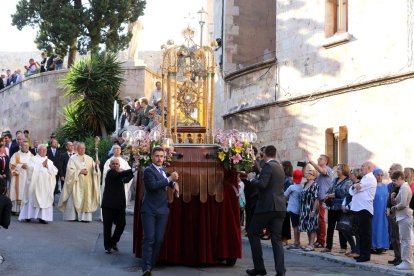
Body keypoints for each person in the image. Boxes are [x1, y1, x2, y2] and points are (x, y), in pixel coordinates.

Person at [246, 145, 286, 276]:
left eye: (262, 154)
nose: (261, 156)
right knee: (276, 239)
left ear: (265, 154)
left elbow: (262, 184)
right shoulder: (280, 166)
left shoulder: (269, 166)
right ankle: (280, 272)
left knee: (252, 232)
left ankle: (259, 268)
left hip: (267, 207)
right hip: (279, 207)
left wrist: (252, 179)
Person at [141, 147, 180, 276]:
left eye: (162, 156)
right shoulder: (148, 170)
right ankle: (146, 268)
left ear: (164, 158)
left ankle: (150, 265)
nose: (159, 158)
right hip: (149, 210)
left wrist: (174, 185)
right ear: (152, 157)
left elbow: (167, 182)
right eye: (157, 156)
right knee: (149, 238)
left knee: (158, 239)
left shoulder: (163, 170)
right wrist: (170, 179)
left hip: (162, 210)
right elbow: (153, 186)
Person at [58, 143, 101, 222]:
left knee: (86, 199)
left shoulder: (89, 158)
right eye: (80, 148)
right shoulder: (73, 158)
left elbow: (95, 171)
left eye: (83, 148)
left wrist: (96, 166)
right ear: (77, 149)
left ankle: (85, 217)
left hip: (87, 183)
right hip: (76, 183)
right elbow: (70, 171)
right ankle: (73, 216)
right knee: (75, 198)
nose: (82, 150)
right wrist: (79, 171)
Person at [102, 158, 135, 254]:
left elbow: (126, 179)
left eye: (117, 164)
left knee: (121, 224)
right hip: (108, 205)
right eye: (113, 164)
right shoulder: (110, 173)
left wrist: (134, 172)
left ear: (119, 165)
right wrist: (132, 170)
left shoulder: (119, 174)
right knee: (107, 227)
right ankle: (108, 246)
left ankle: (113, 242)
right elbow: (120, 175)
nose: (115, 165)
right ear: (110, 165)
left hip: (119, 205)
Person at [18, 144, 58, 224]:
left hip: (46, 185)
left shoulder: (49, 161)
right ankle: (27, 216)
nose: (44, 151)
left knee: (45, 200)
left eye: (45, 150)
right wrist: (41, 165)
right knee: (31, 200)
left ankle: (42, 217)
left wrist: (48, 167)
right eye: (42, 150)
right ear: (38, 151)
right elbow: (29, 168)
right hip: (35, 185)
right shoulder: (33, 159)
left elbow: (55, 171)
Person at [349, 161, 377, 262]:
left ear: (369, 168)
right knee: (360, 233)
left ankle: (365, 255)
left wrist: (355, 186)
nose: (361, 167)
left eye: (363, 166)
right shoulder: (365, 178)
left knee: (365, 234)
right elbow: (352, 190)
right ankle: (361, 253)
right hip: (359, 208)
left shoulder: (369, 178)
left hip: (364, 209)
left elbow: (358, 187)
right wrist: (354, 187)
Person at [322, 163, 353, 254]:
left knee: (342, 227)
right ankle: (328, 246)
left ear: (344, 170)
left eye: (339, 169)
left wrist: (333, 195)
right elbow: (329, 190)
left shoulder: (348, 181)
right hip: (332, 207)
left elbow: (346, 193)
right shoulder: (334, 180)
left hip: (341, 208)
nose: (337, 170)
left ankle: (343, 247)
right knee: (330, 227)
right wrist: (328, 195)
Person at [303, 154, 333, 248]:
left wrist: (312, 162)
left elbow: (322, 171)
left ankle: (321, 240)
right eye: (318, 158)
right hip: (317, 198)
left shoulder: (327, 169)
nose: (318, 160)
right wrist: (305, 165)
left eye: (320, 159)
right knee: (317, 219)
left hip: (322, 198)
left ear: (326, 161)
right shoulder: (318, 172)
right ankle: (317, 240)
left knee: (321, 219)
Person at [101, 145, 133, 220]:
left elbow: (129, 172)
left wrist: (123, 174)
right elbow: (106, 172)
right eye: (115, 149)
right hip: (112, 187)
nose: (117, 150)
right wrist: (117, 172)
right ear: (112, 150)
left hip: (121, 185)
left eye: (119, 149)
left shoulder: (124, 161)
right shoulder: (109, 161)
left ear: (121, 150)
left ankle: (118, 218)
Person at [391, 171, 413, 270]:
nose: (394, 183)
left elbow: (403, 203)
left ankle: (407, 262)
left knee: (406, 240)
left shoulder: (404, 187)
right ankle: (405, 261)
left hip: (405, 216)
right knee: (404, 240)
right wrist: (393, 198)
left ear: (400, 178)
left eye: (395, 180)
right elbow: (398, 201)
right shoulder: (402, 188)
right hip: (402, 216)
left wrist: (395, 207)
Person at [9, 141, 33, 215]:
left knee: (27, 193)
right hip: (18, 177)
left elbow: (35, 166)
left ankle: (25, 211)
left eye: (27, 146)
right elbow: (11, 165)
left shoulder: (32, 156)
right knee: (17, 192)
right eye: (24, 145)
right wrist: (21, 166)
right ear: (21, 146)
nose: (26, 147)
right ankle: (15, 209)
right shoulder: (16, 155)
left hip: (28, 178)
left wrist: (29, 167)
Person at [298, 169, 319, 252]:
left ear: (314, 176)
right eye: (308, 173)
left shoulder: (315, 185)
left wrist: (313, 211)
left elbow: (316, 199)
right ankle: (309, 243)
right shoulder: (305, 184)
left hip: (311, 208)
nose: (308, 174)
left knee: (312, 226)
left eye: (311, 173)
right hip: (304, 208)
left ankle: (311, 245)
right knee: (307, 226)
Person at [387, 163, 403, 266]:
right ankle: (397, 256)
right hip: (391, 213)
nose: (389, 172)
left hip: (398, 214)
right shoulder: (391, 185)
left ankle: (401, 258)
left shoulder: (402, 186)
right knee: (393, 236)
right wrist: (387, 208)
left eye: (391, 170)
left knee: (398, 237)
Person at [371, 168, 389, 253]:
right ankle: (374, 245)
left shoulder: (385, 187)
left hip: (383, 212)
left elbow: (388, 199)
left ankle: (382, 245)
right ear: (374, 175)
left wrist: (388, 209)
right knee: (374, 228)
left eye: (381, 175)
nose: (380, 177)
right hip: (374, 211)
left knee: (383, 228)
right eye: (378, 175)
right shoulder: (371, 186)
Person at [285, 169, 303, 249]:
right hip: (299, 209)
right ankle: (298, 241)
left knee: (295, 226)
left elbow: (285, 195)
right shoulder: (302, 187)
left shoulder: (292, 187)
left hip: (292, 209)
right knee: (297, 226)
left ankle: (296, 242)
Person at [281, 161, 293, 246]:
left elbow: (288, 193)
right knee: (281, 221)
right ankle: (281, 237)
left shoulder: (288, 179)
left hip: (285, 202)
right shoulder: (282, 177)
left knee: (285, 221)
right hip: (280, 201)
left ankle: (285, 239)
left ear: (285, 167)